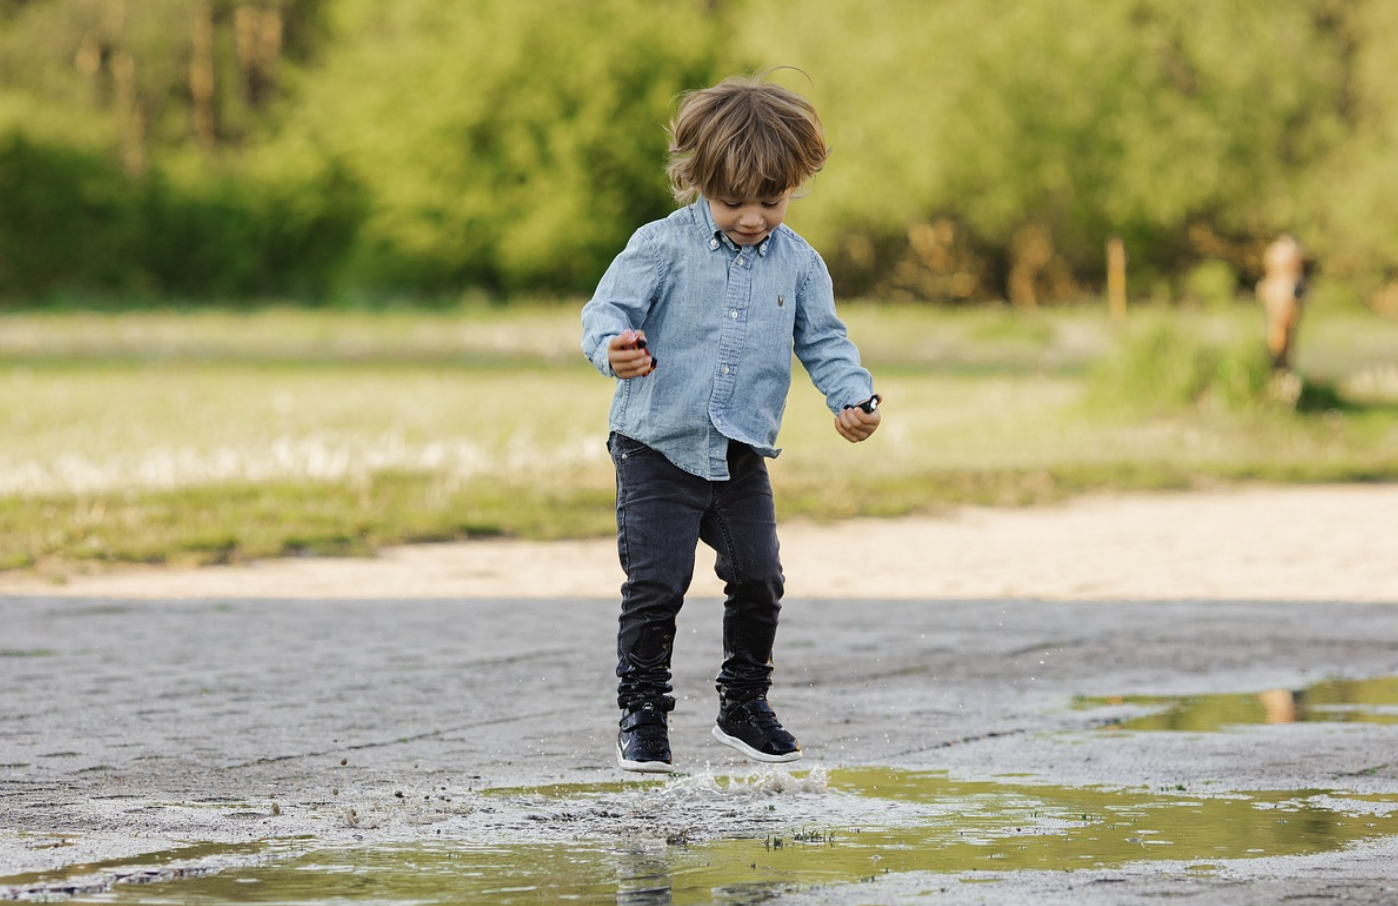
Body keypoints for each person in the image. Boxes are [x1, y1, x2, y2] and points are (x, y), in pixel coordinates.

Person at [580, 72, 881, 774]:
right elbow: (607, 314)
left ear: (793, 184)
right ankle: (643, 715)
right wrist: (614, 349)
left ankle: (743, 705)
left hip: (740, 451)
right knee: (657, 582)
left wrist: (854, 398)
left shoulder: (800, 263)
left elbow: (825, 341)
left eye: (770, 201)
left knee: (760, 576)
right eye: (732, 201)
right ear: (696, 180)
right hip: (655, 446)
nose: (752, 218)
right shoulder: (661, 245)